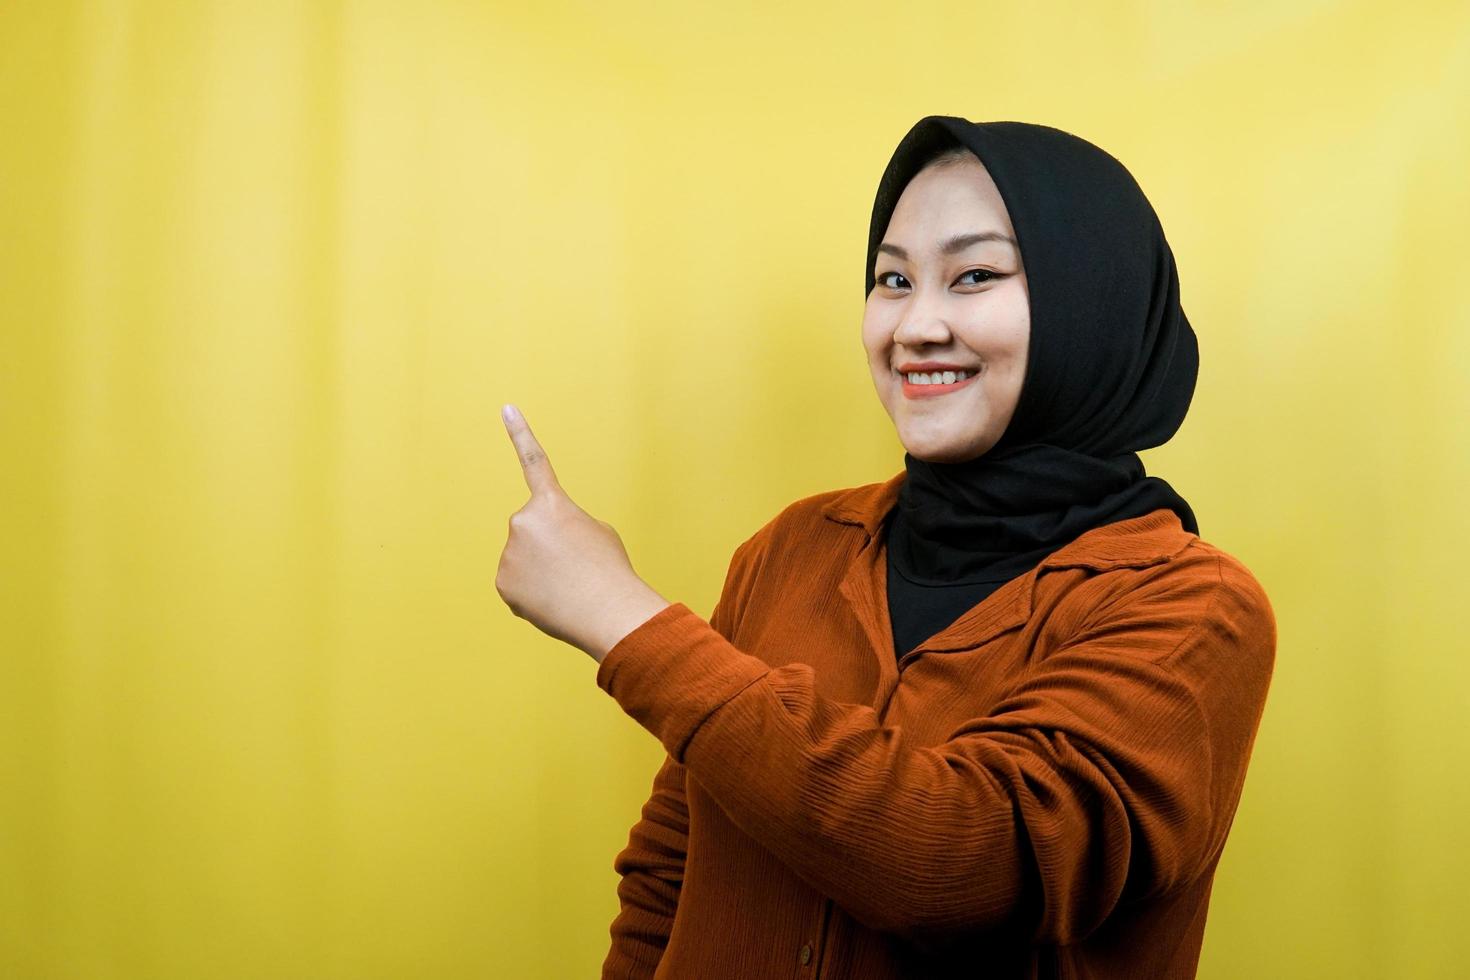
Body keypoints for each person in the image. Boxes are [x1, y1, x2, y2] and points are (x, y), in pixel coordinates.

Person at [495, 115, 1277, 980]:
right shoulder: (793, 548)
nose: (915, 326)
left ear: (1090, 302)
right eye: (893, 280)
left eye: (974, 275)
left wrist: (622, 616)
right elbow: (671, 875)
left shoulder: (1191, 607)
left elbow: (975, 863)